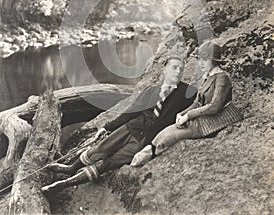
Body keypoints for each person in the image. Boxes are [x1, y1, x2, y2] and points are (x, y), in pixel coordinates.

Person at [41, 53, 197, 192]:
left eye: (181, 69)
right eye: (174, 68)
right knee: (98, 150)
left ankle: (62, 184)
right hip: (129, 128)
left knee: (108, 163)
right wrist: (108, 127)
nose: (178, 71)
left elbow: (200, 102)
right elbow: (132, 111)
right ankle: (69, 169)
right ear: (165, 70)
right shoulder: (151, 90)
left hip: (144, 141)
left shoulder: (187, 93)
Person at [130, 41, 243, 167]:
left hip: (215, 121)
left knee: (170, 136)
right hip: (203, 117)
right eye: (199, 60)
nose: (200, 63)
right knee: (167, 131)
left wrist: (188, 116)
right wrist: (181, 114)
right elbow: (197, 102)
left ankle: (150, 153)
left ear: (214, 60)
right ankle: (149, 150)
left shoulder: (222, 78)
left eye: (204, 60)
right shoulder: (208, 76)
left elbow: (215, 106)